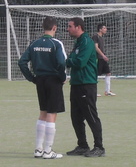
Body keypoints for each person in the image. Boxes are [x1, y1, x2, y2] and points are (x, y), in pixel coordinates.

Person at [18, 16, 66, 159]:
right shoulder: (56, 43)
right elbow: (62, 62)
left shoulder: (34, 43)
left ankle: (38, 149)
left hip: (40, 80)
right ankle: (47, 151)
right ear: (55, 28)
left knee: (43, 112)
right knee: (52, 113)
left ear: (43, 27)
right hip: (53, 80)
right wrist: (62, 78)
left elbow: (22, 62)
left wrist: (32, 78)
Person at [66, 17, 105, 157]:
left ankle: (99, 147)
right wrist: (70, 60)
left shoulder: (87, 42)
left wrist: (69, 61)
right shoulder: (78, 43)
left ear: (78, 27)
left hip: (86, 85)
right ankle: (82, 145)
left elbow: (79, 62)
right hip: (76, 84)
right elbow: (71, 60)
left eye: (70, 26)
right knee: (75, 117)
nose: (68, 29)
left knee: (91, 116)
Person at [92, 23, 116, 96]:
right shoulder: (95, 37)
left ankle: (107, 91)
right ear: (100, 29)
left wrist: (103, 56)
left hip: (102, 58)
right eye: (104, 28)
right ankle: (93, 92)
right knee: (94, 75)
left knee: (108, 73)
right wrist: (103, 55)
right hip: (97, 58)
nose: (106, 29)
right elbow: (96, 47)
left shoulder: (102, 37)